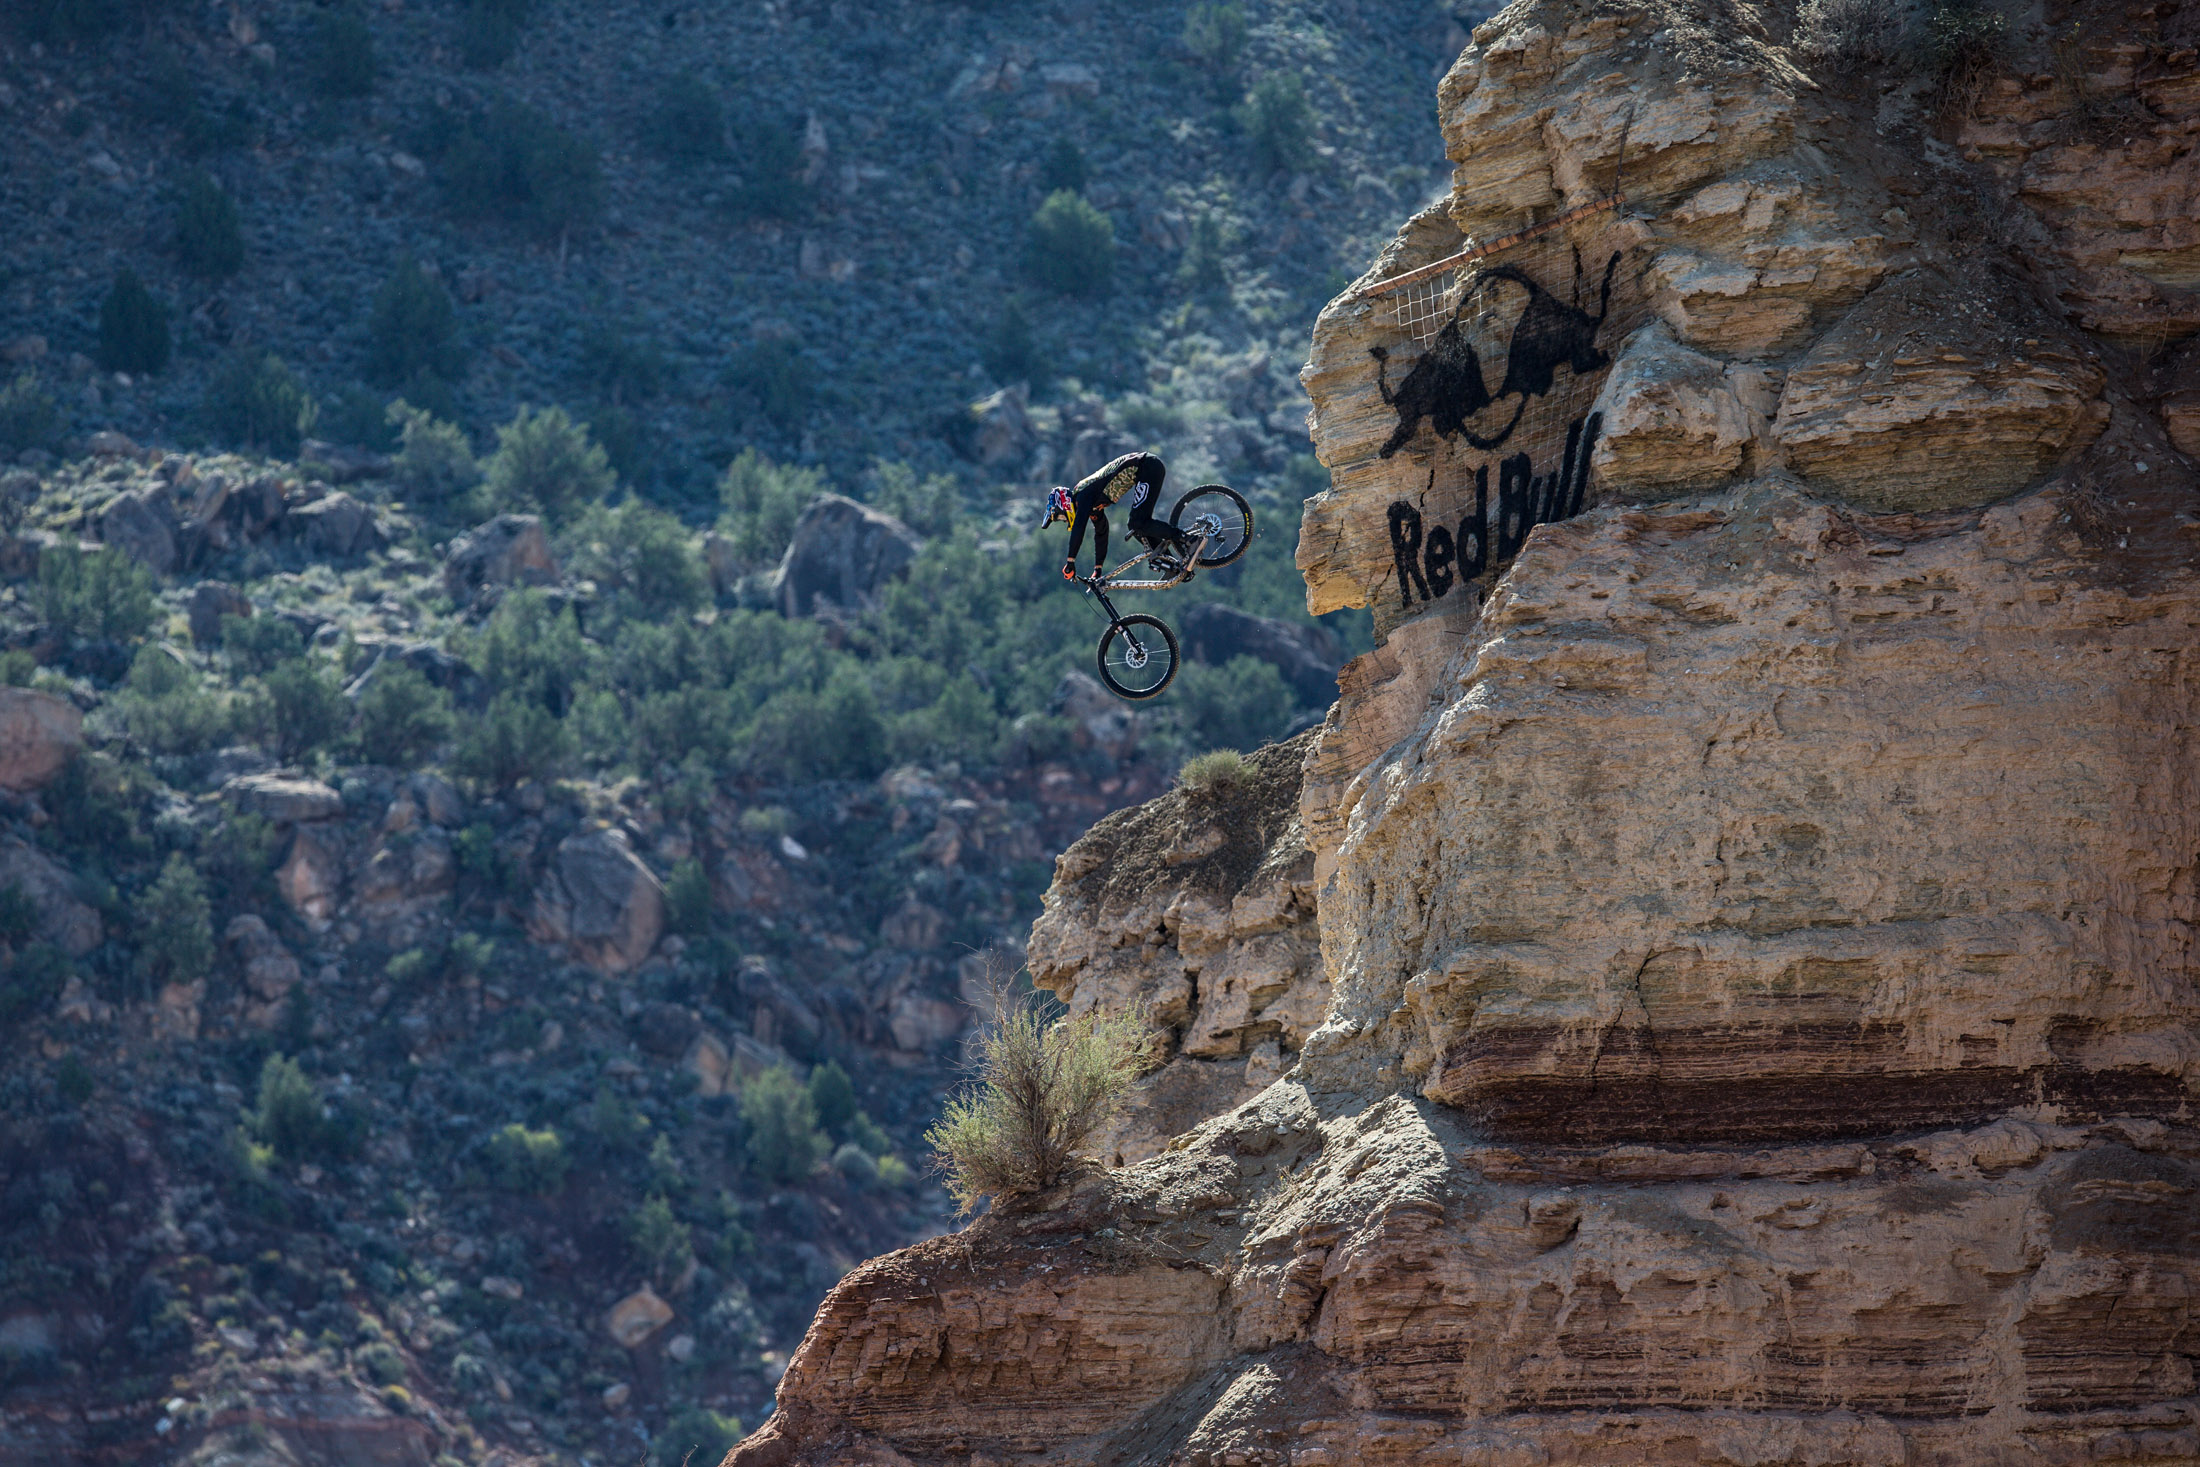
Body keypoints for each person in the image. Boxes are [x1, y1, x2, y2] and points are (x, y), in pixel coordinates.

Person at [1041, 450, 1190, 580]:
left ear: (1063, 504)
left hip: (1147, 466)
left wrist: (1070, 561)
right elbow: (1101, 533)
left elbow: (1079, 527)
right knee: (1137, 529)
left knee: (1138, 522)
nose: (1063, 519)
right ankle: (1173, 565)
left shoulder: (1082, 494)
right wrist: (1098, 569)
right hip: (1146, 469)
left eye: (1060, 517)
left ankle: (1186, 538)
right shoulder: (1092, 505)